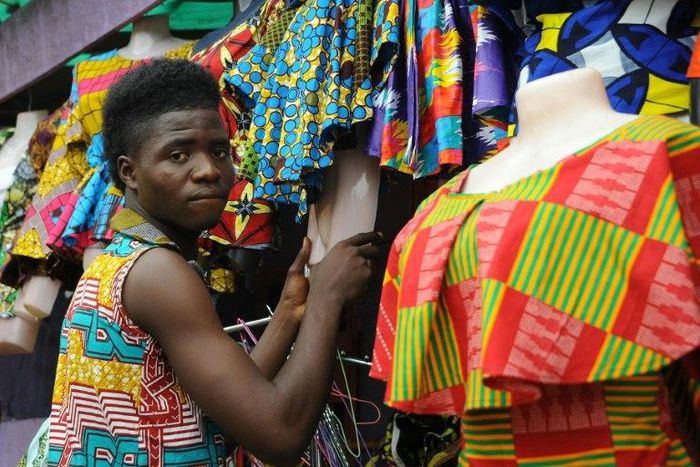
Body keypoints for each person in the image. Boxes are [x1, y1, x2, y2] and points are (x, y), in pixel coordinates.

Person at [45, 59, 380, 466]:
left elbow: (231, 405)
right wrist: (328, 297)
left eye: (219, 151)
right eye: (179, 155)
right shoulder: (157, 273)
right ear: (129, 172)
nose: (209, 170)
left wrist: (292, 313)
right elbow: (279, 434)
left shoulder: (122, 261)